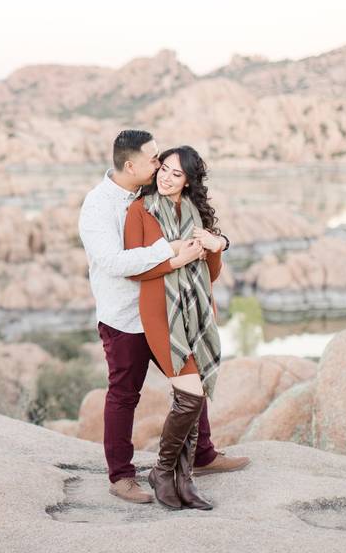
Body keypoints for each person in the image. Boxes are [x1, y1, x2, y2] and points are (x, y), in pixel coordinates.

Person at [77, 131, 249, 506]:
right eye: (155, 160)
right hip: (125, 318)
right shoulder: (98, 206)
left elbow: (202, 243)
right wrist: (169, 252)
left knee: (192, 383)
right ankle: (121, 476)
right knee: (124, 394)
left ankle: (202, 455)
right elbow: (113, 262)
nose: (160, 167)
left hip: (168, 311)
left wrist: (217, 244)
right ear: (130, 165)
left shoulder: (157, 197)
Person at [123, 144, 238, 510]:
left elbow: (211, 273)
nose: (167, 178)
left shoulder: (193, 212)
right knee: (190, 395)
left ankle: (183, 481)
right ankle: (162, 470)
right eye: (164, 170)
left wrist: (216, 245)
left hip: (197, 314)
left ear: (189, 181)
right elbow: (135, 268)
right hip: (160, 313)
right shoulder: (140, 210)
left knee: (194, 396)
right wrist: (175, 260)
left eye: (177, 174)